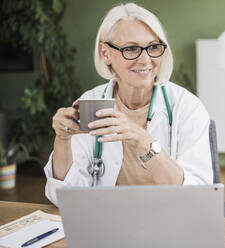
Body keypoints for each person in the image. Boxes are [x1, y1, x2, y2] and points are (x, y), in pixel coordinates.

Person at [44, 3, 213, 206]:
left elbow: (198, 198)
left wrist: (143, 141)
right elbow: (62, 198)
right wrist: (62, 140)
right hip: (107, 221)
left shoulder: (187, 108)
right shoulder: (91, 104)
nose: (145, 59)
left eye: (153, 47)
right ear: (105, 53)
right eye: (131, 49)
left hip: (167, 220)